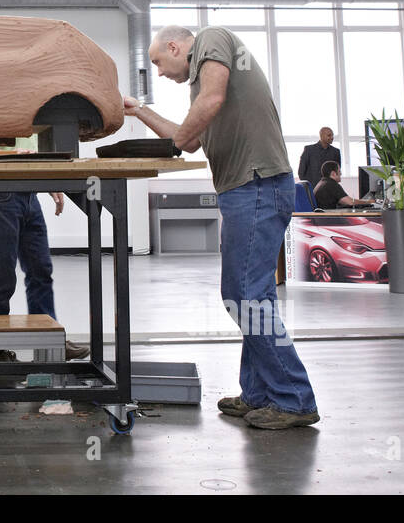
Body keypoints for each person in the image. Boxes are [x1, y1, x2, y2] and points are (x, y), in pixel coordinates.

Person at [124, 24, 319, 430]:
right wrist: (138, 110)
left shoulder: (212, 39)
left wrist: (175, 141)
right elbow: (190, 138)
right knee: (252, 296)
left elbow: (208, 105)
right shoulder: (200, 88)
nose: (159, 72)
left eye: (159, 61)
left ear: (176, 46)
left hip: (258, 184)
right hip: (245, 189)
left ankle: (294, 398)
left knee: (246, 295)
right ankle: (260, 393)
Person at [0, 146, 89, 362]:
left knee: (40, 270)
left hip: (30, 193)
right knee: (1, 277)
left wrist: (48, 182)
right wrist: (6, 155)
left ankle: (50, 342)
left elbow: (36, 150)